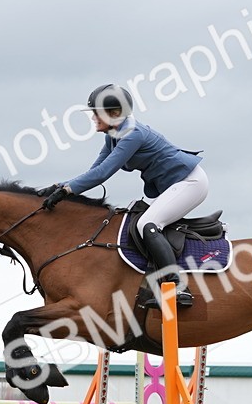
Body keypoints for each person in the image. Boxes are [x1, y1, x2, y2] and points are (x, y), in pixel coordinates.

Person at [42, 84, 207, 308]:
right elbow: (94, 170)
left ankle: (177, 287)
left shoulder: (132, 135)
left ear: (114, 113)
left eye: (96, 112)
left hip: (191, 183)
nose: (92, 117)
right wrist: (57, 186)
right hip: (176, 184)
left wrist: (66, 191)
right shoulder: (113, 136)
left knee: (148, 224)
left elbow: (102, 174)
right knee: (138, 223)